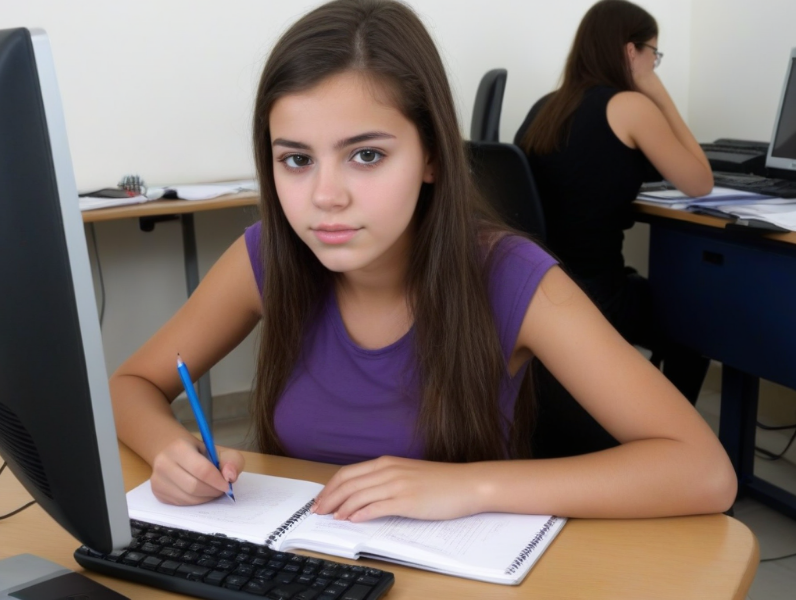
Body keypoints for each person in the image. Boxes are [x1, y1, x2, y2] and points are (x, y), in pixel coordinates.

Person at [111, 0, 735, 523]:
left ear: (432, 156)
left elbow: (702, 471)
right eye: (296, 160)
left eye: (366, 156)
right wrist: (170, 449)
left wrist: (471, 487)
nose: (325, 196)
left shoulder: (514, 276)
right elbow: (130, 386)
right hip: (308, 567)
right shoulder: (266, 259)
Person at [515, 0, 713, 456]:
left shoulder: (546, 107)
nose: (653, 63)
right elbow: (700, 182)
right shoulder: (629, 106)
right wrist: (655, 89)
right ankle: (669, 444)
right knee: (696, 327)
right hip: (597, 295)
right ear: (631, 51)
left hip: (541, 290)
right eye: (653, 54)